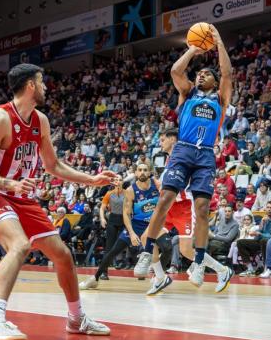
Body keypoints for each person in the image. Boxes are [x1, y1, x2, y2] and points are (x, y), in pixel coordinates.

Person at [0, 64, 116, 340]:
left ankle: (76, 319)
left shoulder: (40, 120)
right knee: (20, 245)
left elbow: (53, 165)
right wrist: (9, 184)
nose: (46, 87)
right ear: (30, 86)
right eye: (42, 82)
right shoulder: (0, 118)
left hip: (22, 198)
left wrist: (92, 180)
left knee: (62, 254)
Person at [135, 24, 233, 287]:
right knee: (165, 198)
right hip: (184, 149)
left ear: (213, 81)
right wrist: (194, 48)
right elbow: (175, 70)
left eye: (205, 74)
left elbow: (227, 72)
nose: (201, 76)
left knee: (201, 208)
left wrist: (219, 42)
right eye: (199, 74)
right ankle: (147, 253)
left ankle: (199, 263)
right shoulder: (187, 93)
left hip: (205, 154)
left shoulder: (220, 99)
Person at [148, 128, 232, 294]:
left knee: (186, 250)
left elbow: (187, 184)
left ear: (173, 139)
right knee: (147, 238)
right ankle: (160, 277)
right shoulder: (170, 159)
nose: (160, 142)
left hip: (185, 207)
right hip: (171, 207)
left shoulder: (186, 155)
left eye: (163, 138)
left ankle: (223, 271)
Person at [79, 164, 166, 292]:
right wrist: (130, 232)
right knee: (112, 251)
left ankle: (158, 277)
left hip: (153, 225)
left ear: (149, 173)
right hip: (133, 225)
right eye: (140, 170)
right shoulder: (126, 191)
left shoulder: (156, 185)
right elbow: (124, 213)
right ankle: (95, 278)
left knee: (168, 247)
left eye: (145, 170)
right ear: (135, 173)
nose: (142, 172)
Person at [237, 201, 271, 277]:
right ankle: (250, 269)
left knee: (264, 241)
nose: (269, 209)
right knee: (240, 242)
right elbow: (260, 233)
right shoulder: (265, 219)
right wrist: (261, 225)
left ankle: (267, 269)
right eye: (267, 207)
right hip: (261, 241)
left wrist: (260, 234)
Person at [98, 175, 125, 280]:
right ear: (113, 183)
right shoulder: (109, 194)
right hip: (112, 220)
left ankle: (137, 270)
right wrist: (102, 218)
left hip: (124, 220)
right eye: (116, 180)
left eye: (120, 179)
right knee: (109, 247)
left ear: (122, 182)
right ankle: (104, 272)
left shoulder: (128, 193)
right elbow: (102, 208)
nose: (118, 181)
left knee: (127, 243)